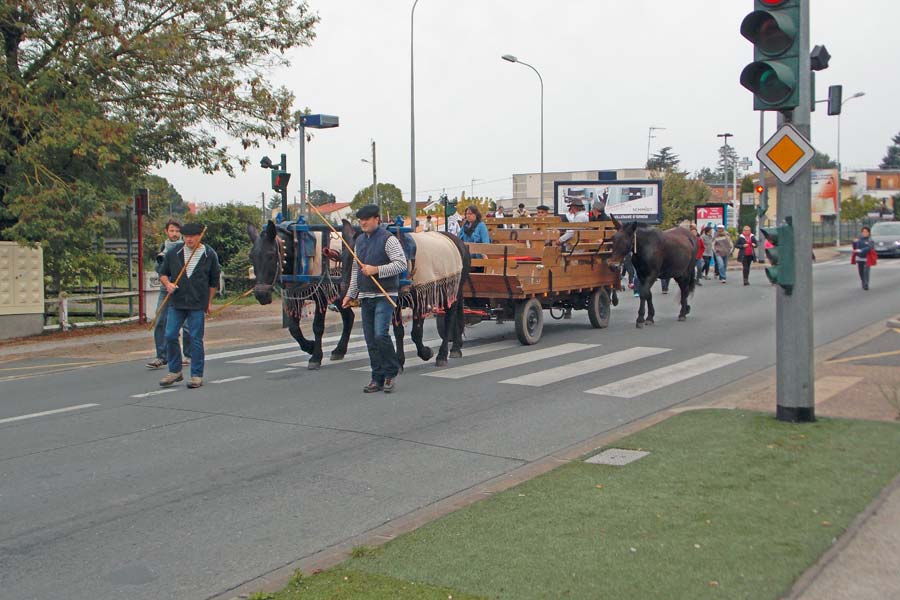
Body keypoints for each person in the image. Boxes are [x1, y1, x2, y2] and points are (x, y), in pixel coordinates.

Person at [341, 204, 407, 393]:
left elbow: (401, 264)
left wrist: (377, 270)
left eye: (367, 219)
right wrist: (350, 294)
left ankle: (390, 373)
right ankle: (376, 377)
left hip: (385, 295)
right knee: (370, 339)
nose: (363, 222)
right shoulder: (359, 241)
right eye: (360, 220)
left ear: (377, 219)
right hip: (366, 295)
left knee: (380, 334)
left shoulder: (389, 239)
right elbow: (356, 270)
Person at [158, 222, 221, 389]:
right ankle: (175, 371)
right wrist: (168, 285)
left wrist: (209, 302)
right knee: (170, 335)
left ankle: (196, 375)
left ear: (200, 236)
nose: (189, 239)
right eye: (186, 236)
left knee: (195, 338)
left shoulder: (209, 254)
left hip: (197, 303)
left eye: (192, 236)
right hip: (177, 302)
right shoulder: (174, 253)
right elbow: (163, 273)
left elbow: (214, 281)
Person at [147, 219, 192, 369]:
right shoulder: (163, 247)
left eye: (177, 231)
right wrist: (166, 279)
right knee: (160, 320)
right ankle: (161, 355)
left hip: (183, 288)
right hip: (166, 288)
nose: (174, 234)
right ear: (166, 231)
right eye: (171, 231)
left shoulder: (186, 247)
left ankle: (189, 355)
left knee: (186, 324)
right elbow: (159, 269)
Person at [851, 226, 877, 290]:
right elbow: (855, 248)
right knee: (861, 272)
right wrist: (854, 242)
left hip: (867, 258)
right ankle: (863, 281)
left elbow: (870, 247)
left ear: (869, 233)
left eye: (866, 232)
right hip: (860, 258)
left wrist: (861, 250)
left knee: (866, 271)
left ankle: (866, 284)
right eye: (863, 232)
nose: (864, 233)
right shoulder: (859, 240)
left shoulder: (870, 240)